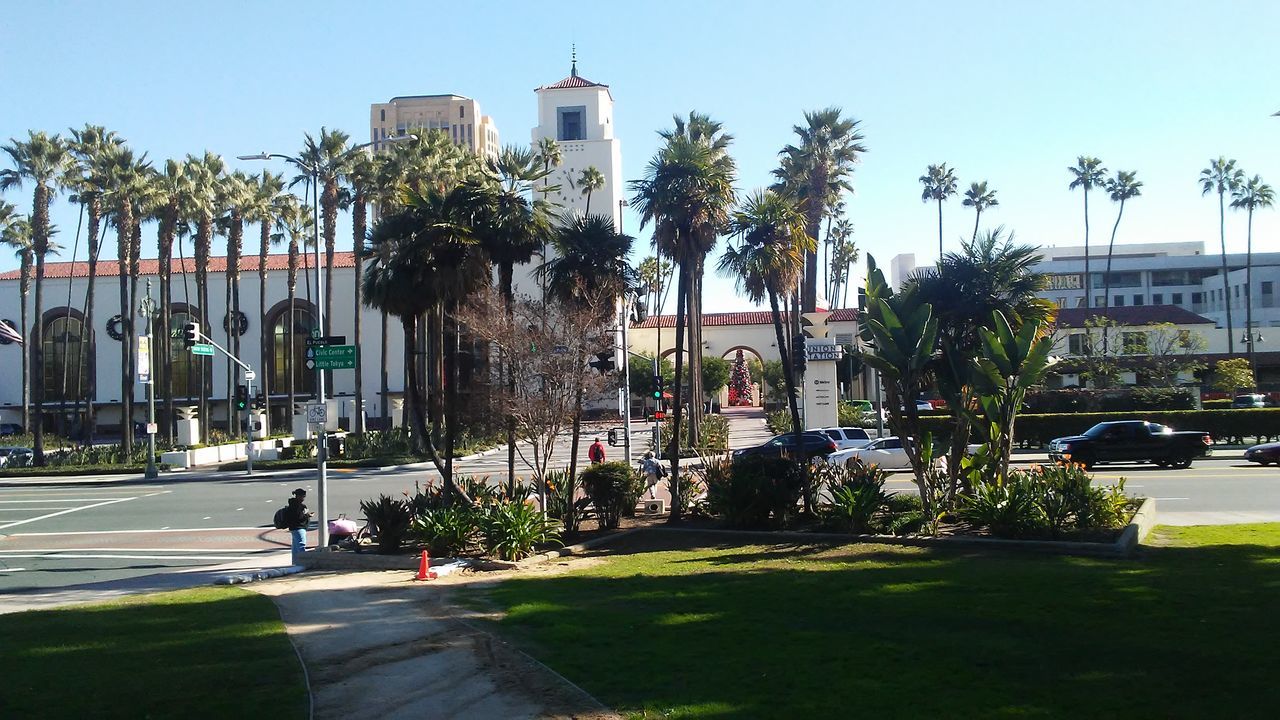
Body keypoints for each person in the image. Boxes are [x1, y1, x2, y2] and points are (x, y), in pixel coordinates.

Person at [286, 488, 312, 563]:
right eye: (302, 496)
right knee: (301, 545)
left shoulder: (293, 504)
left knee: (295, 548)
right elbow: (299, 517)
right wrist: (308, 515)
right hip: (299, 528)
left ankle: (295, 562)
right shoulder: (297, 506)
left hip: (295, 528)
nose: (303, 498)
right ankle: (303, 562)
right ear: (297, 496)